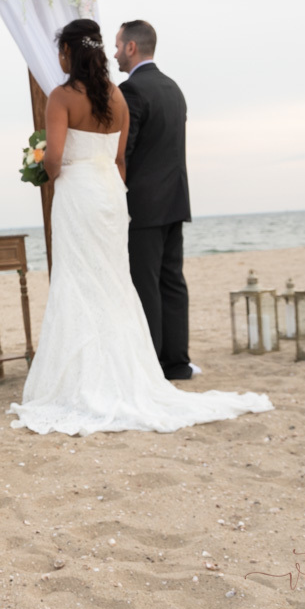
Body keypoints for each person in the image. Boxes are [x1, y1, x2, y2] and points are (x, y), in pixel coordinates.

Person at [7, 18, 271, 435]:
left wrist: (41, 164)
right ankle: (141, 369)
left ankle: (83, 376)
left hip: (78, 192)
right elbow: (119, 162)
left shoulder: (61, 97)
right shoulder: (118, 97)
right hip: (112, 194)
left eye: (61, 50)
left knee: (78, 281)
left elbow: (55, 160)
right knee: (114, 282)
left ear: (69, 53)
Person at [114, 20, 195, 380]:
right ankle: (176, 362)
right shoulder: (173, 88)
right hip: (175, 199)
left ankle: (151, 365)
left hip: (143, 205)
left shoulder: (131, 90)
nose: (114, 53)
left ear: (131, 47)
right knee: (172, 282)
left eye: (117, 45)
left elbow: (124, 153)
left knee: (145, 284)